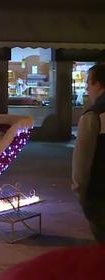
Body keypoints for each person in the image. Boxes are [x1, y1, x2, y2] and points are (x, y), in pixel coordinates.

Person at [72, 63, 105, 242]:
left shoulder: (93, 115)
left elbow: (82, 161)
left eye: (88, 84)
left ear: (98, 84)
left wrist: (81, 193)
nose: (86, 89)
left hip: (100, 194)